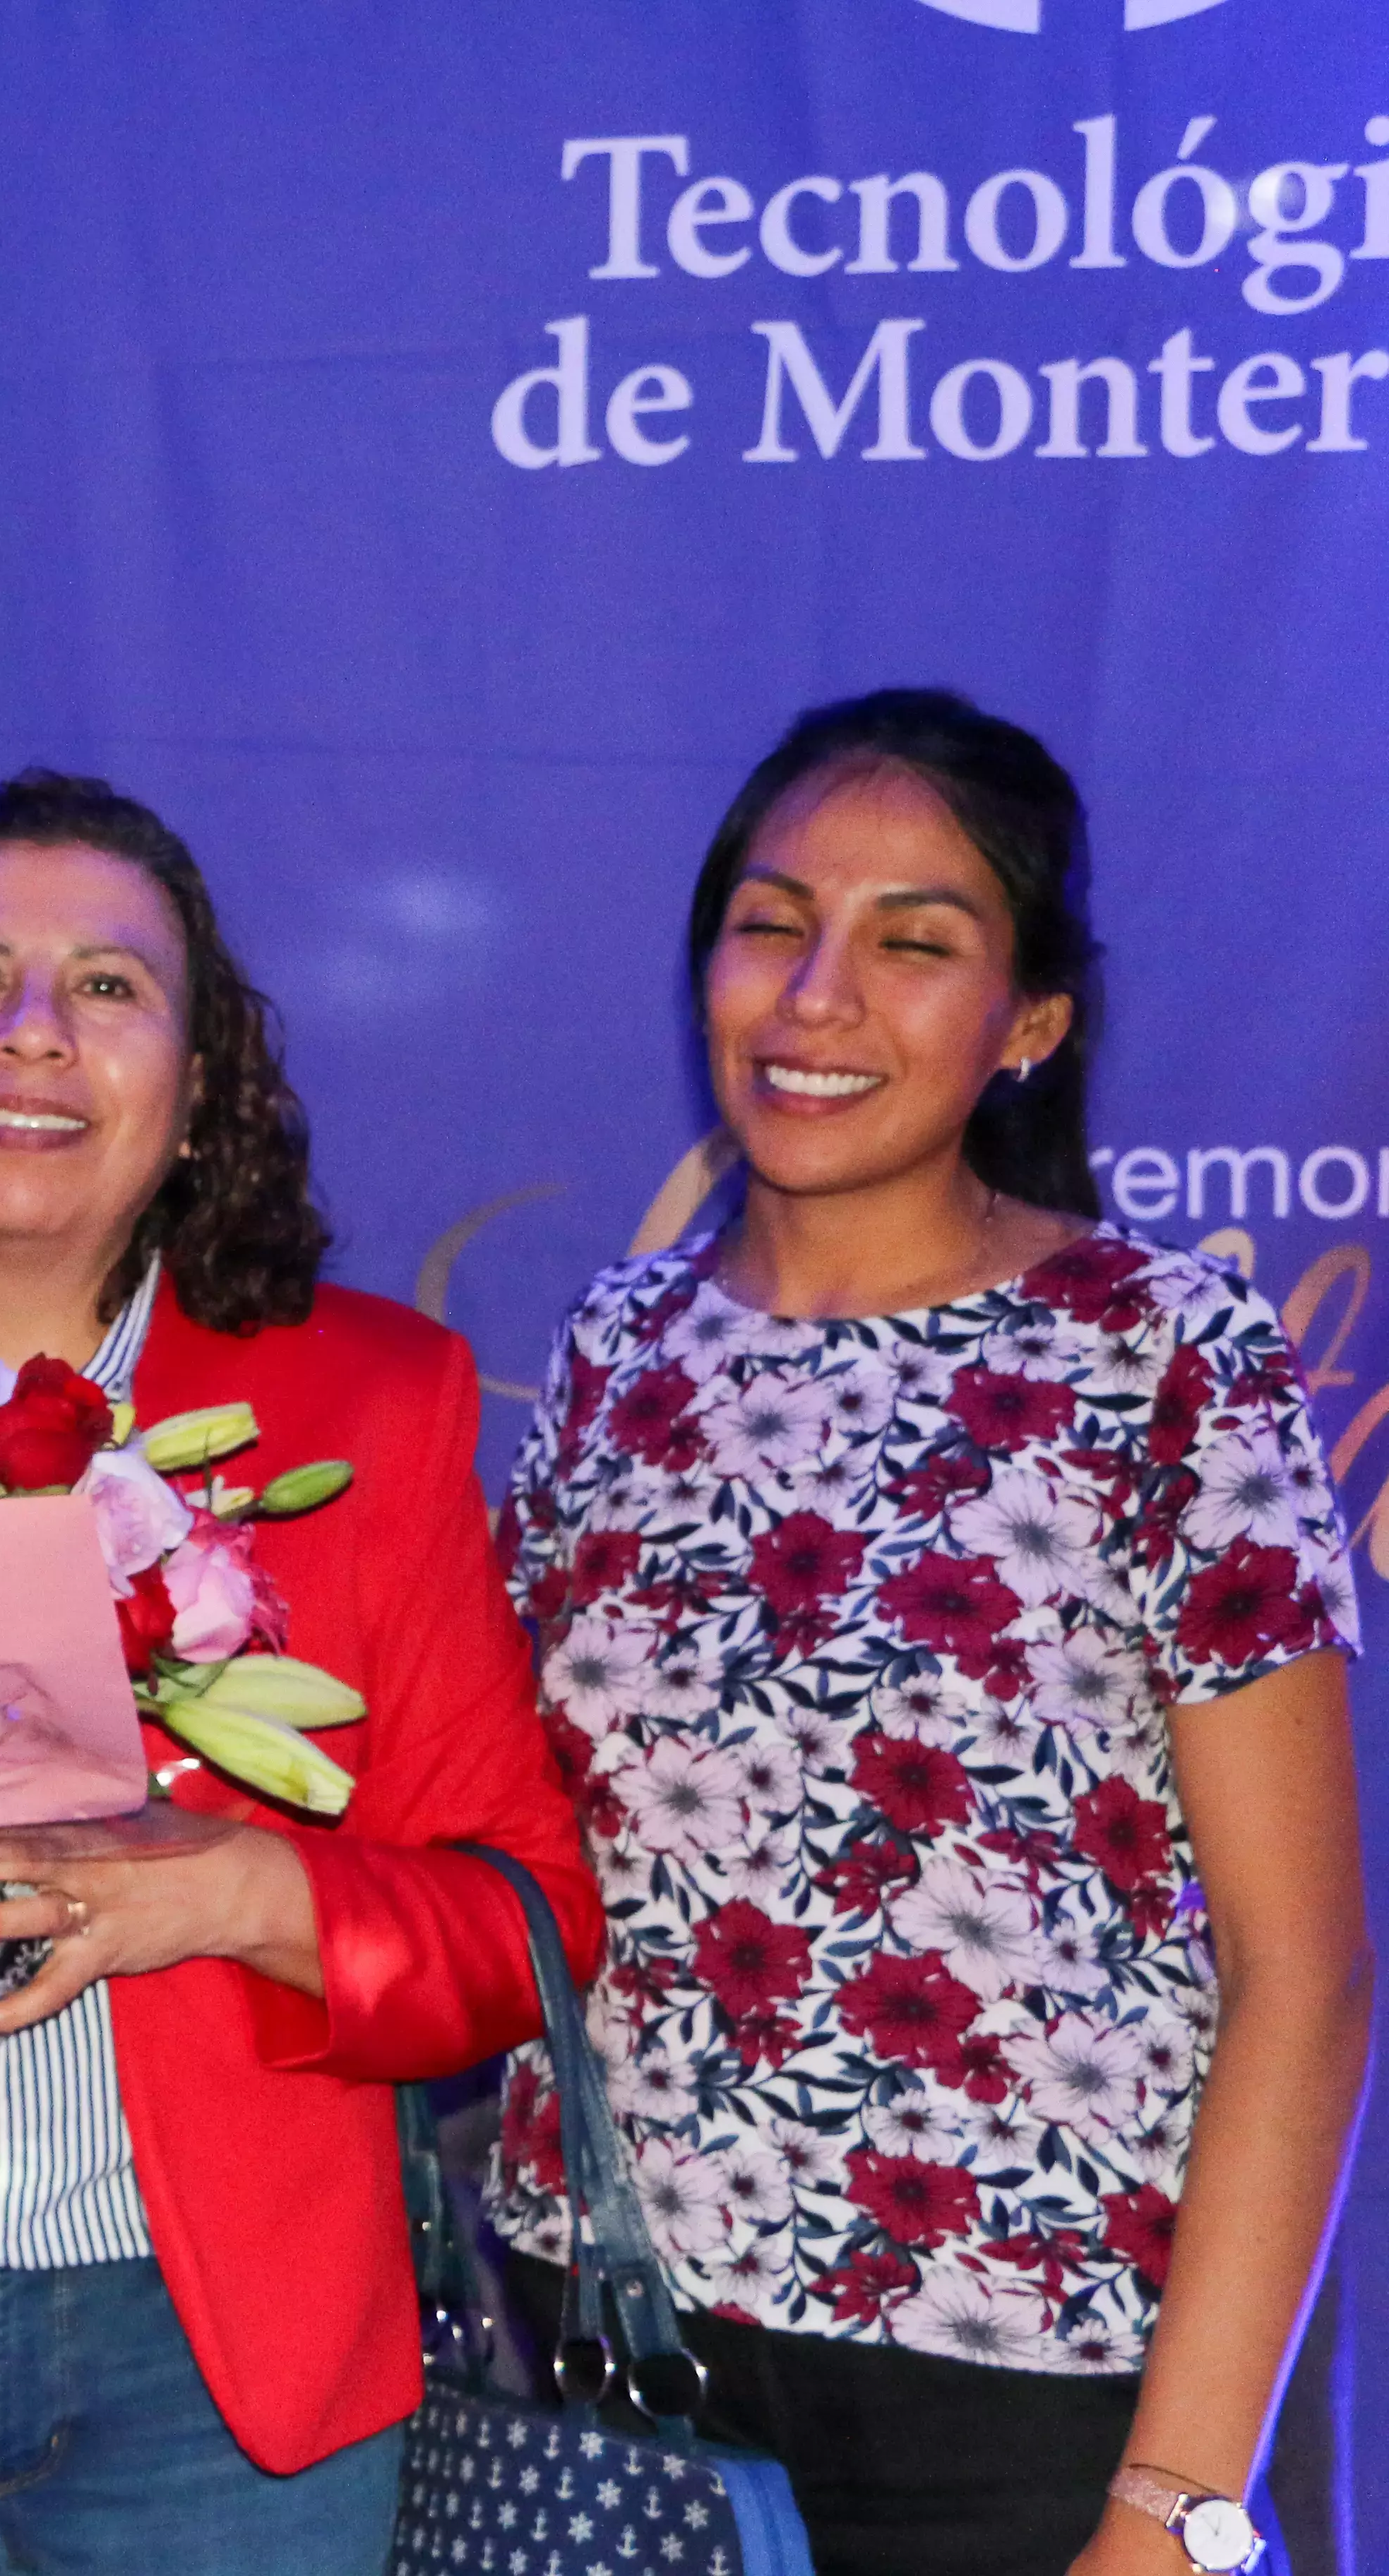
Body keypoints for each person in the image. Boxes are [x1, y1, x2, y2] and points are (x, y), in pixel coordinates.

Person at [491, 689, 1366, 2576]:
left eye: (915, 945)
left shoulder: (1163, 1359)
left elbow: (1307, 1977)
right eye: (771, 921)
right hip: (626, 2378)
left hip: (1037, 2415)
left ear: (1028, 1026)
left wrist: (1179, 2503)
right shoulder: (614, 1354)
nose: (819, 996)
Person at [0, 769, 598, 2575]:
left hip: (216, 2385)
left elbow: (525, 1926)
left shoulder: (368, 1408)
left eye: (109, 989)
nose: (33, 1035)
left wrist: (240, 1889)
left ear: (198, 1096)